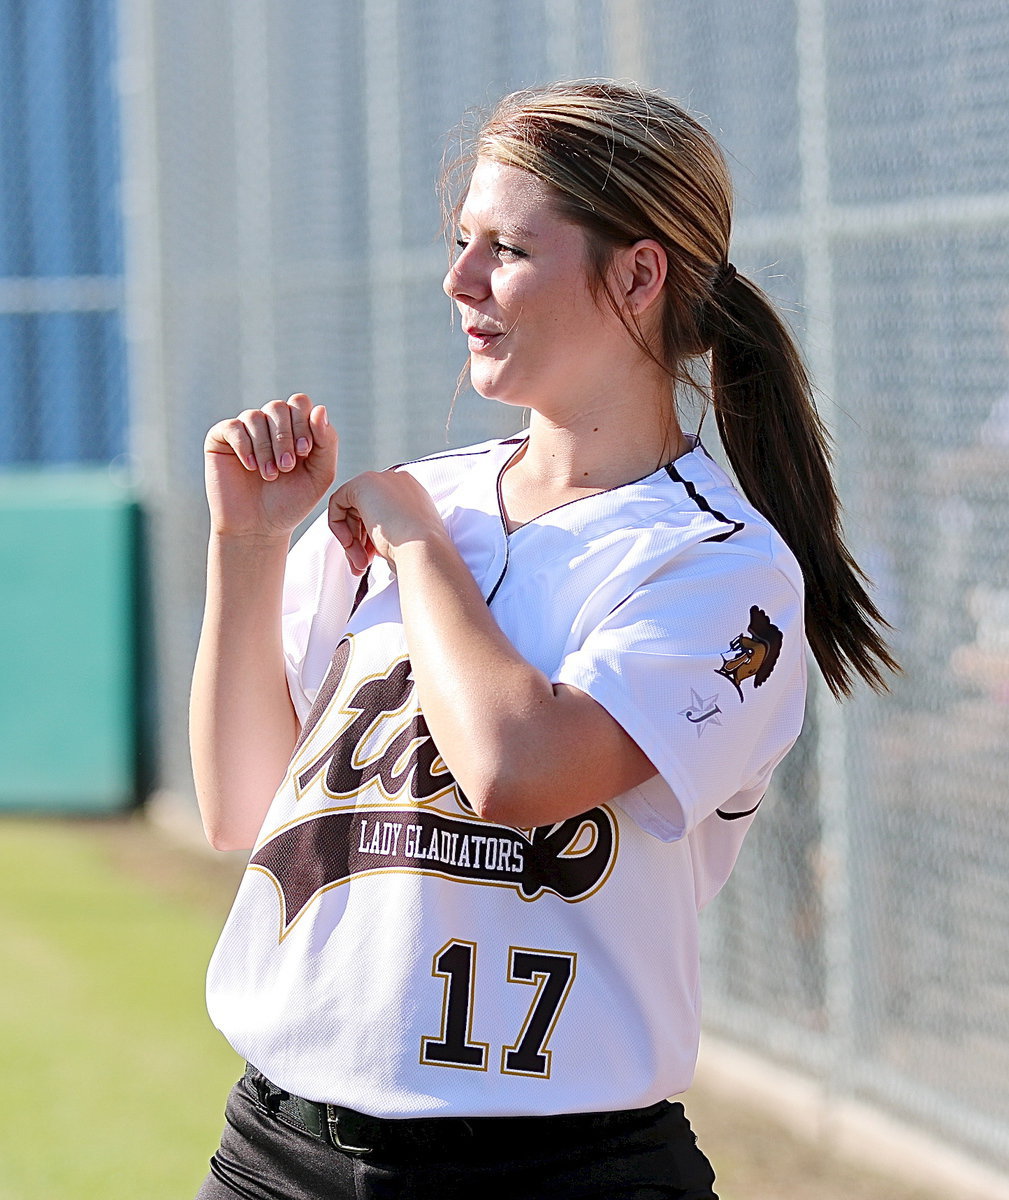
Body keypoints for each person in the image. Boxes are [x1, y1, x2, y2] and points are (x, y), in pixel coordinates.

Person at [189, 80, 896, 1200]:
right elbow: (242, 809)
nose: (459, 280)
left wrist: (418, 546)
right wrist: (249, 548)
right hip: (279, 1154)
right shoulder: (414, 502)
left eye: (508, 248)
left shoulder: (720, 565)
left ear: (638, 273)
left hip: (554, 1168)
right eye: (462, 241)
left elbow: (521, 771)